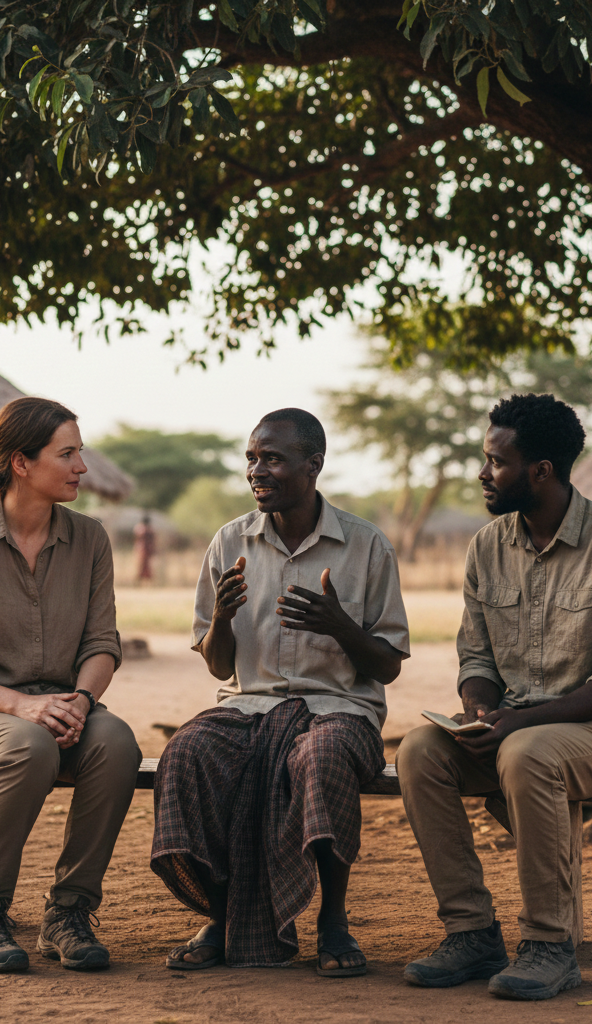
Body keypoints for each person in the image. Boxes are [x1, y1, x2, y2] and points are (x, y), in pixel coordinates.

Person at [397, 393, 592, 1001]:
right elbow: (477, 657)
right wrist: (482, 708)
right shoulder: (487, 546)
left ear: (540, 471)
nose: (483, 474)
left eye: (496, 462)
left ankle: (549, 946)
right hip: (515, 726)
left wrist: (516, 724)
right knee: (418, 752)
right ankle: (470, 931)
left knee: (528, 753)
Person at [151, 408, 409, 975]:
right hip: (250, 707)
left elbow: (387, 667)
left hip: (339, 709)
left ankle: (333, 923)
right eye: (251, 458)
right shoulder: (229, 543)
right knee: (187, 753)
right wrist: (221, 616)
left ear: (313, 465)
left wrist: (338, 624)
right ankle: (221, 919)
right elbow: (220, 669)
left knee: (322, 757)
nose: (257, 471)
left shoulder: (366, 547)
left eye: (272, 458)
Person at [0, 397, 142, 974]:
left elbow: (101, 644)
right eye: (67, 454)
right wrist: (24, 706)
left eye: (80, 453)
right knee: (28, 742)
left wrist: (82, 700)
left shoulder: (90, 540)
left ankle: (69, 912)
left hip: (64, 708)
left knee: (117, 743)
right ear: (21, 463)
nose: (82, 467)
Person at [134, 514, 156, 583]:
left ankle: (145, 581)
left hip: (144, 549)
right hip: (144, 549)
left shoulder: (141, 529)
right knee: (142, 565)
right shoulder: (145, 529)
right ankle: (140, 581)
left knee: (146, 566)